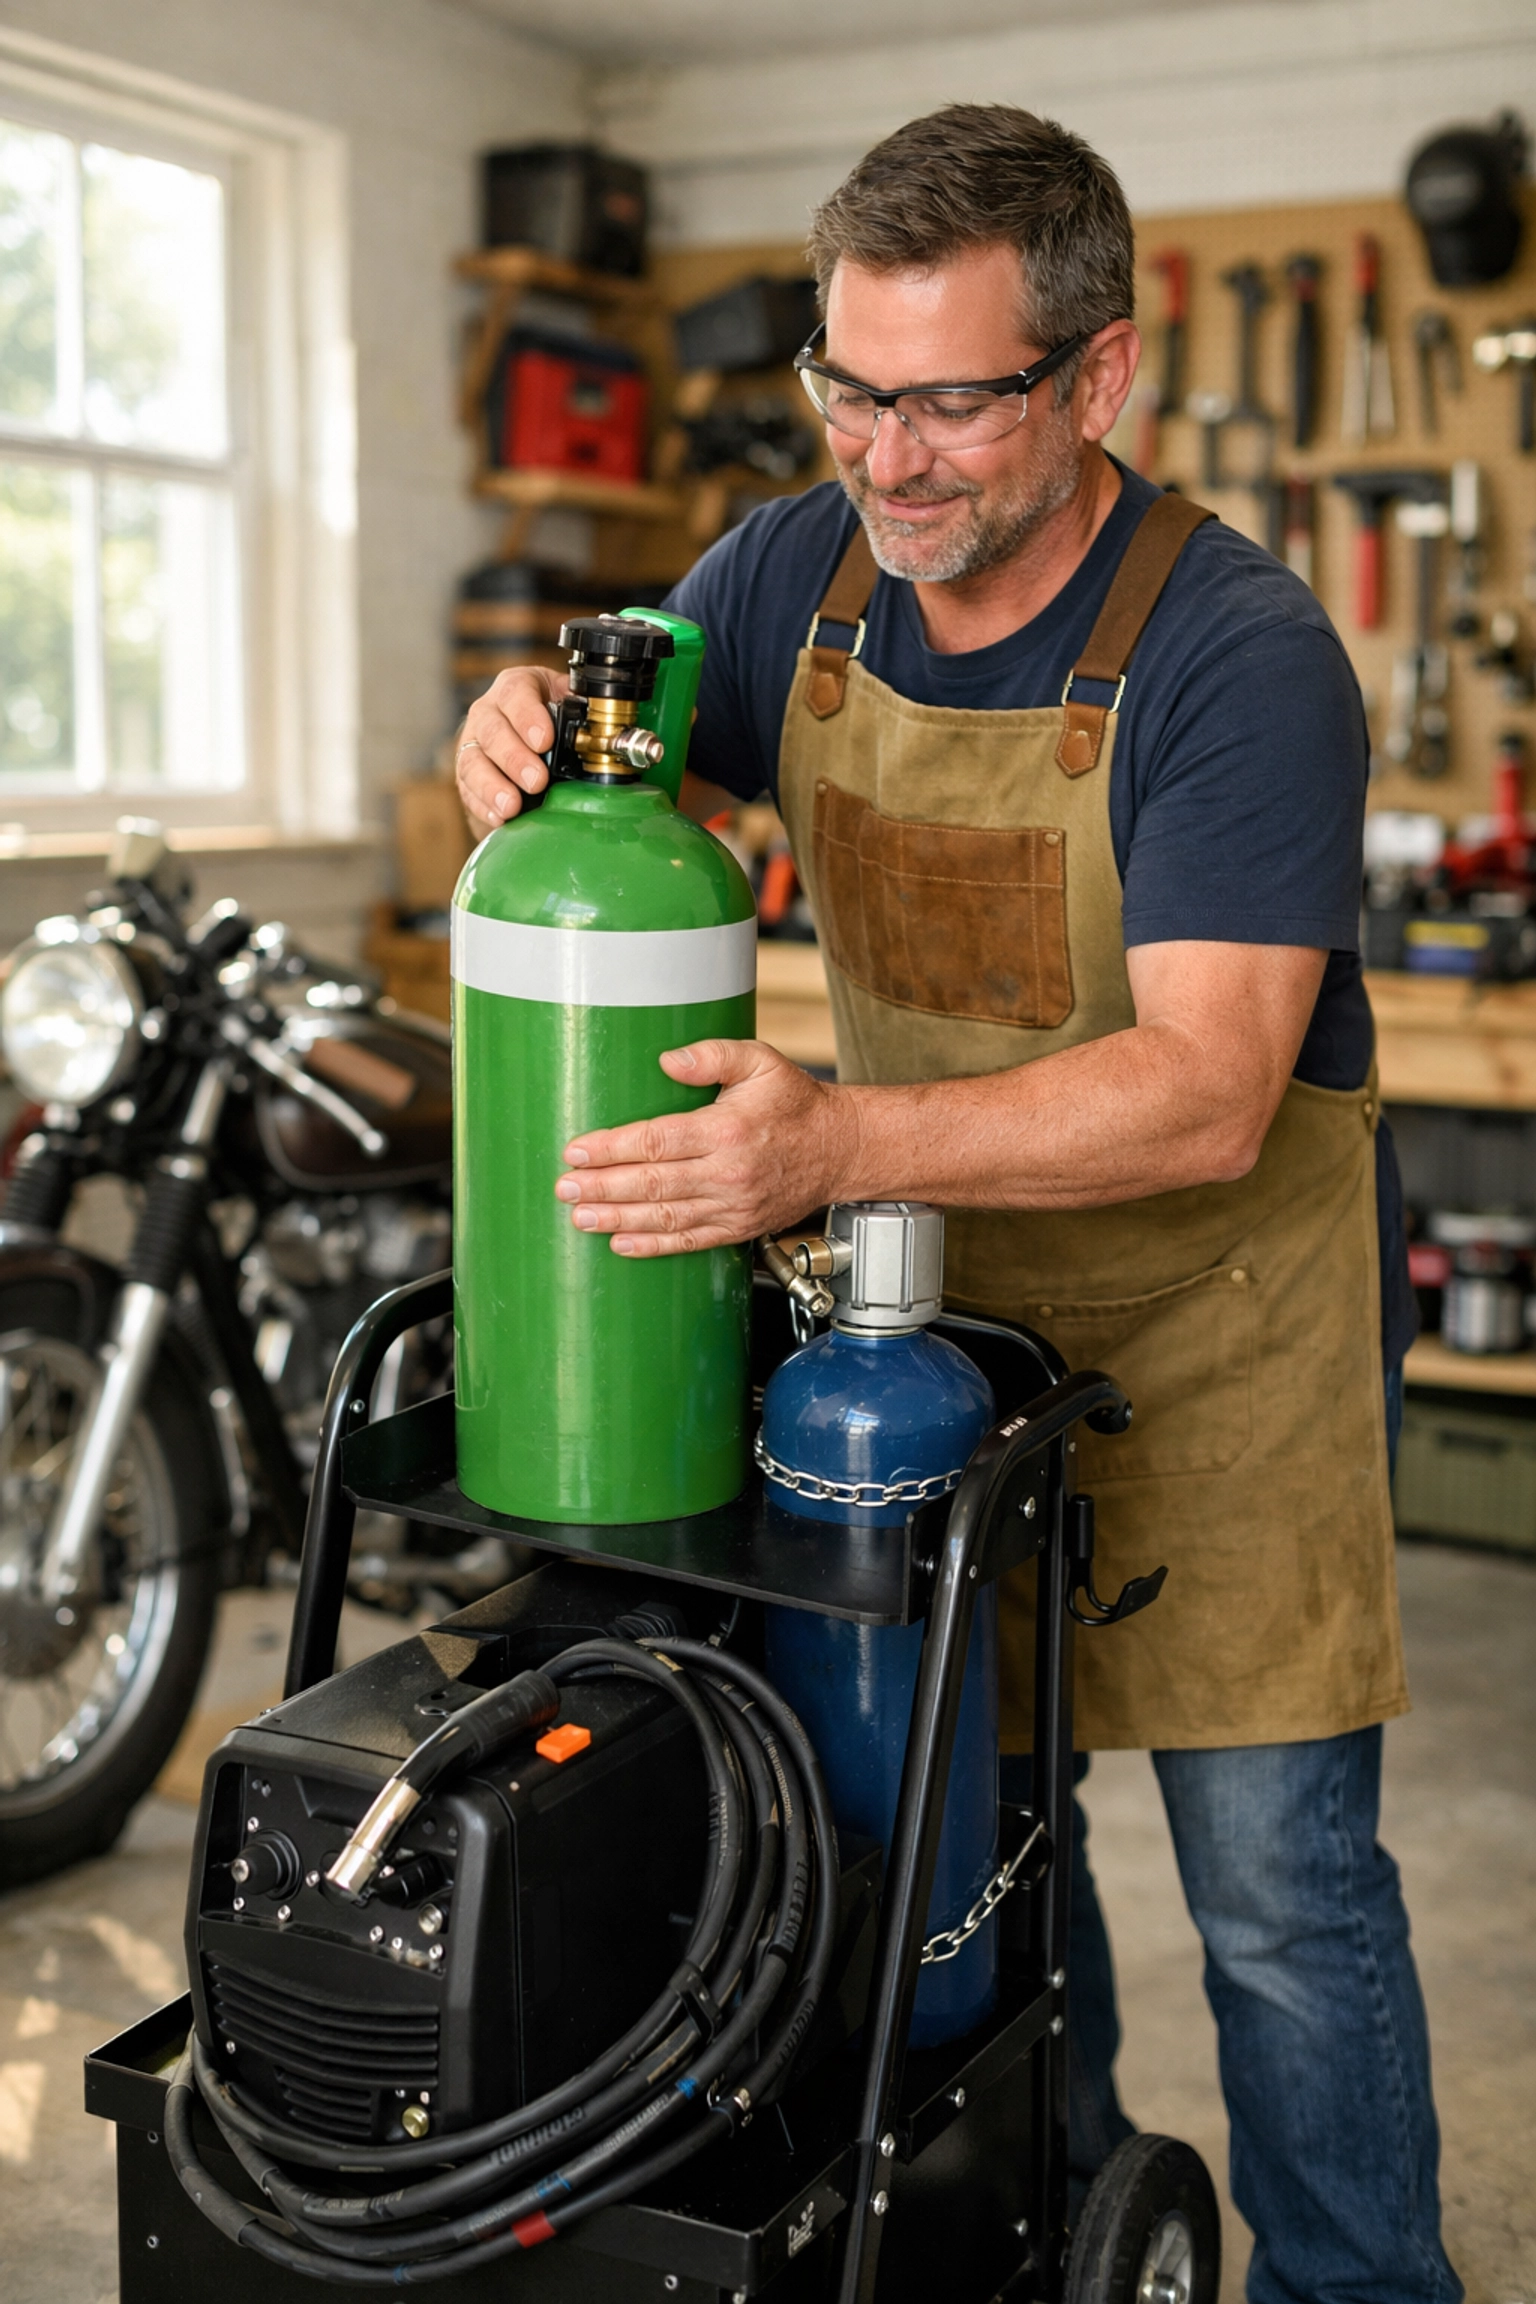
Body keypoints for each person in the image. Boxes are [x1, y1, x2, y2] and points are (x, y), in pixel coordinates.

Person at [455, 103, 1458, 2304]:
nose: (886, 462)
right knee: (978, 1849)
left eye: (949, 403)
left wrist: (823, 1146)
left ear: (1097, 377)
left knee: (1282, 1899)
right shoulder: (790, 574)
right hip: (939, 1348)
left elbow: (1206, 1096)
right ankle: (1061, 2219)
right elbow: (609, 737)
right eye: (848, 388)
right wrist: (524, 723)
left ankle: (1360, 2283)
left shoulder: (1239, 651)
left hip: (1224, 1351)